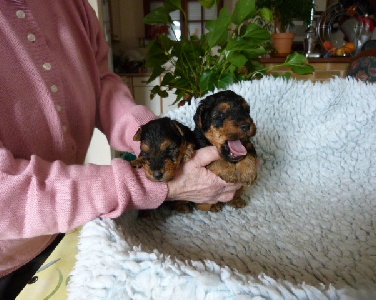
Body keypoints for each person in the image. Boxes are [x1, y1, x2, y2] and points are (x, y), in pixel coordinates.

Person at [0, 1, 242, 297]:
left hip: (75, 224)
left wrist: (152, 135)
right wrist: (151, 185)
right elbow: (6, 193)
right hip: (7, 256)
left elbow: (102, 84)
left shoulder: (72, 6)